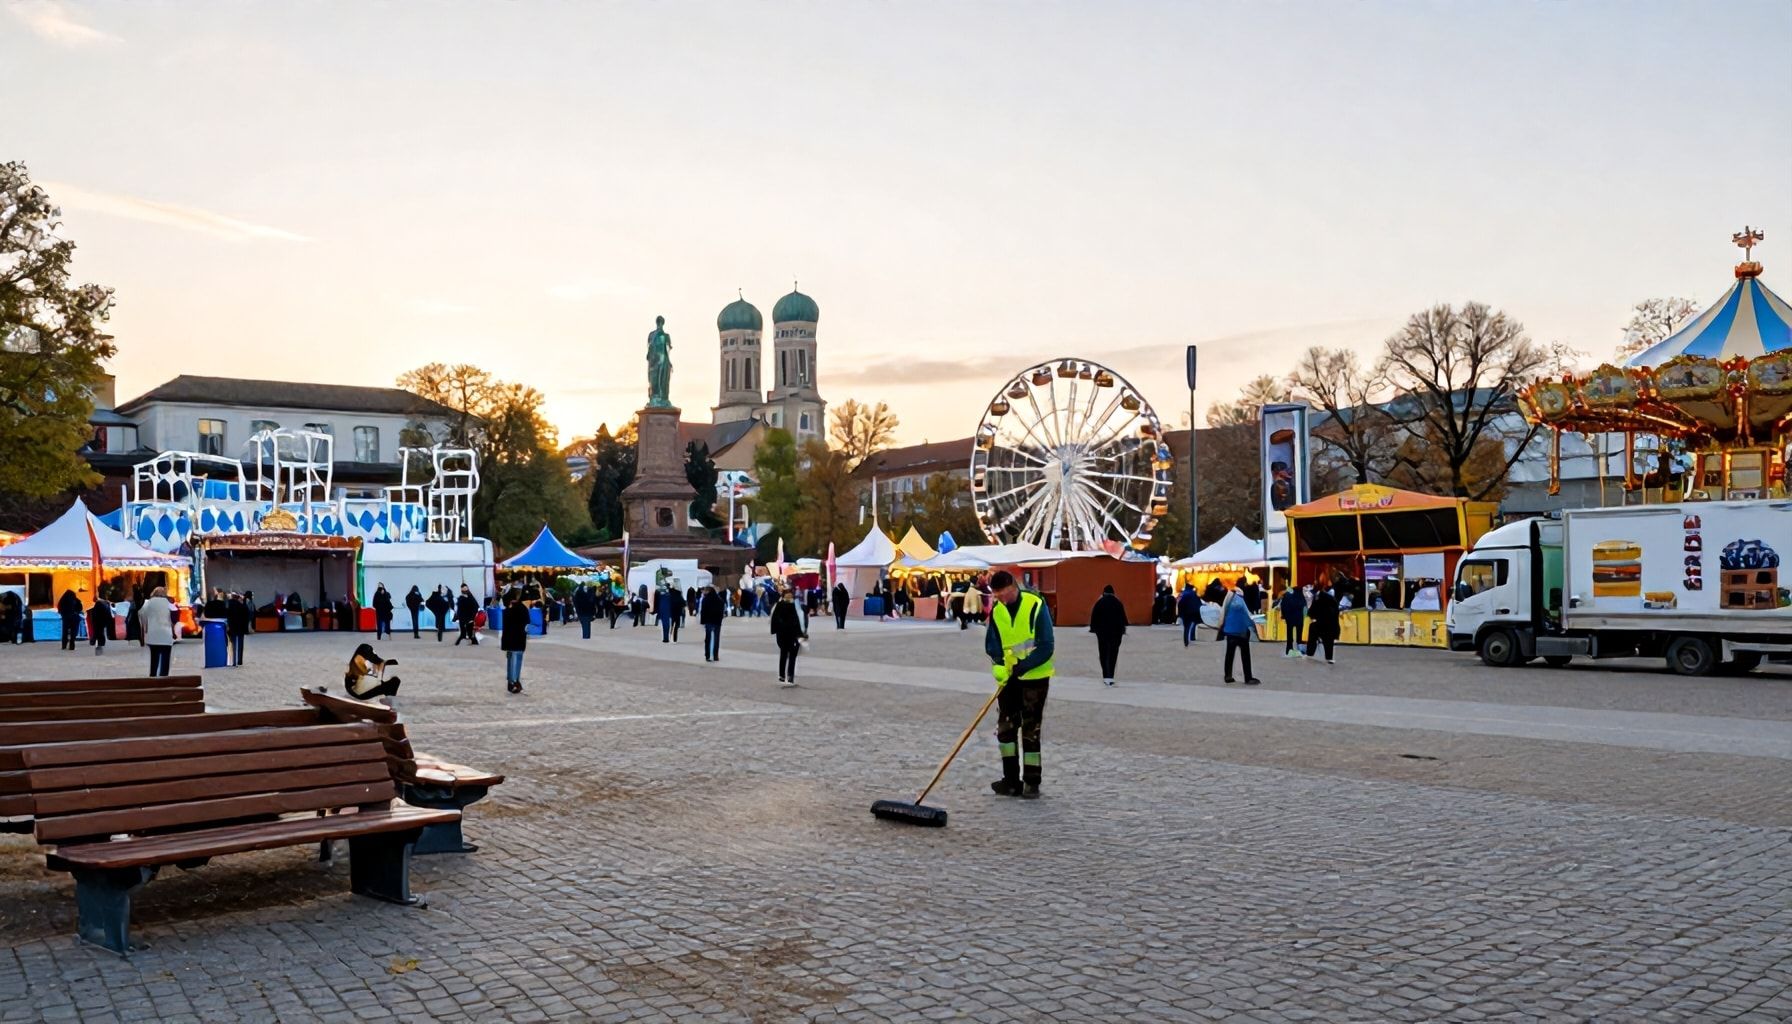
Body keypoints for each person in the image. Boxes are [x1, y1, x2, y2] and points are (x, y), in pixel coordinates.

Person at [984, 570, 1054, 799]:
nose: (1003, 599)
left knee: (1030, 731)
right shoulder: (997, 611)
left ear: (1015, 587)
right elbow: (992, 644)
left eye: (1006, 594)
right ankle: (1010, 780)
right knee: (1005, 729)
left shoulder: (1035, 605)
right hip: (1009, 679)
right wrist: (998, 665)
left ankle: (1032, 782)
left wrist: (1022, 666)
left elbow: (1046, 646)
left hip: (1034, 678)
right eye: (998, 596)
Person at [1218, 584, 1261, 686]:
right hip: (1241, 632)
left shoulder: (1229, 600)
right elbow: (1247, 616)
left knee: (1229, 654)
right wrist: (1255, 627)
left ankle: (1228, 676)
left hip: (1230, 632)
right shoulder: (1240, 601)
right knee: (1245, 655)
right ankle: (1248, 677)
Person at [1088, 584, 1127, 687]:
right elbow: (1124, 619)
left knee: (1103, 653)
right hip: (1116, 632)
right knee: (1113, 653)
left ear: (1104, 592)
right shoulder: (1118, 603)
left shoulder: (1100, 603)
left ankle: (1106, 676)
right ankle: (1111, 676)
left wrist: (1093, 629)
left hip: (1102, 632)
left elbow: (1094, 617)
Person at [769, 588, 808, 687]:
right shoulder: (779, 605)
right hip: (783, 635)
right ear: (783, 596)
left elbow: (802, 619)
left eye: (790, 595)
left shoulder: (797, 606)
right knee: (783, 655)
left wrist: (803, 633)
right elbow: (775, 620)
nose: (789, 597)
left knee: (793, 656)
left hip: (795, 634)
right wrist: (779, 630)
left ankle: (790, 676)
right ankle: (782, 675)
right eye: (787, 595)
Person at [140, 587, 175, 677]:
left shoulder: (148, 603)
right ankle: (164, 676)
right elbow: (174, 616)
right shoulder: (168, 603)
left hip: (153, 633)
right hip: (166, 633)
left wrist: (145, 627)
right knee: (166, 658)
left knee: (154, 657)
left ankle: (153, 676)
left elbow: (142, 615)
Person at [1305, 585, 1340, 666]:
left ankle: (1310, 653)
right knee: (1328, 640)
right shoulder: (1328, 598)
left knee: (1314, 635)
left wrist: (1312, 615)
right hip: (1329, 623)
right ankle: (1329, 657)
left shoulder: (1320, 597)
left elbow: (1314, 609)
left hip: (1323, 622)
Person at [500, 593, 528, 693]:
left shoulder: (507, 611)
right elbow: (527, 622)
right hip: (519, 639)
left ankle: (512, 681)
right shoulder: (521, 608)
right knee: (516, 659)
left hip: (510, 640)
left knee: (511, 659)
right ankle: (514, 681)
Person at [1278, 584, 1308, 658]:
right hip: (1299, 618)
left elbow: (1283, 605)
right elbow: (1304, 605)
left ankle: (1289, 649)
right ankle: (1300, 650)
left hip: (1290, 618)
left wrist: (1284, 616)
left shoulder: (1287, 595)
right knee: (1299, 636)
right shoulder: (1301, 596)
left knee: (1289, 635)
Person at [699, 585, 726, 662]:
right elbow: (722, 612)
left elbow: (703, 612)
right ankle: (715, 656)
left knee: (708, 639)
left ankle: (707, 655)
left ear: (708, 591)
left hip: (708, 621)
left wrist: (702, 621)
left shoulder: (705, 599)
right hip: (717, 622)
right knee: (716, 639)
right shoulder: (720, 600)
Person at [226, 591, 251, 666]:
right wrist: (243, 601)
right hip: (241, 627)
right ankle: (239, 661)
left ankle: (233, 661)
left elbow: (227, 615)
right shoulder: (242, 606)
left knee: (233, 644)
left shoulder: (229, 604)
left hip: (232, 626)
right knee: (240, 644)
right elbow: (247, 614)